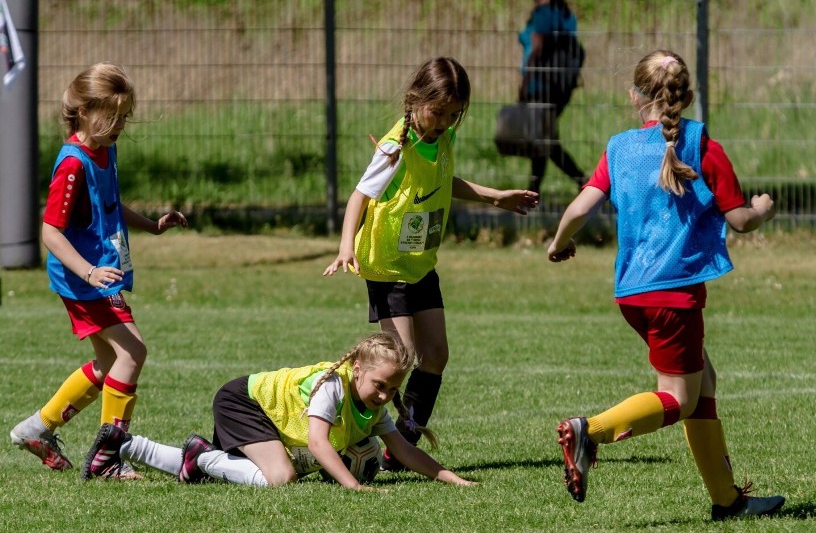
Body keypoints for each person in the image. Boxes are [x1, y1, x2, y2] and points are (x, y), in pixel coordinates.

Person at [547, 50, 785, 521]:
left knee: (703, 382)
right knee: (679, 397)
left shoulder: (618, 148)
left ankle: (727, 501)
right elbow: (739, 220)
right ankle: (587, 431)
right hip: (673, 296)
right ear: (688, 96)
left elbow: (579, 208)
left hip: (632, 293)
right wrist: (763, 209)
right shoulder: (699, 143)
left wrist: (558, 244)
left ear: (635, 97)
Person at [323, 57, 539, 471]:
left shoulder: (442, 140)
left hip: (420, 263)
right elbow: (359, 196)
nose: (444, 122)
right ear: (414, 100)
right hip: (387, 267)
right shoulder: (394, 148)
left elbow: (443, 181)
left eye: (453, 115)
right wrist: (346, 244)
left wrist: (495, 196)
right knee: (396, 361)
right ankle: (341, 428)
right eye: (438, 113)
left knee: (436, 354)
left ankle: (400, 448)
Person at [10, 62, 188, 477]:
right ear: (85, 111)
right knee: (133, 352)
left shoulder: (105, 149)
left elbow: (110, 203)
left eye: (125, 117)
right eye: (113, 116)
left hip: (98, 273)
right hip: (82, 279)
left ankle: (37, 429)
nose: (121, 125)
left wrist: (151, 225)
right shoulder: (72, 164)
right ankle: (109, 457)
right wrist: (89, 272)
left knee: (111, 362)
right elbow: (51, 232)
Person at [81, 332, 475, 490]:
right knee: (281, 476)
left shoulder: (374, 405)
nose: (385, 394)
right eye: (379, 385)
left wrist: (453, 479)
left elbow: (404, 451)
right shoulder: (332, 387)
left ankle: (124, 444)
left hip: (258, 411)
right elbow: (320, 445)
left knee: (248, 475)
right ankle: (200, 456)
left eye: (393, 388)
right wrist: (353, 486)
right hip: (243, 402)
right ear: (358, 370)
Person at [518, 0, 584, 193]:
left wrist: (524, 84)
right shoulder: (567, 16)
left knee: (545, 142)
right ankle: (535, 190)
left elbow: (536, 49)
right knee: (543, 140)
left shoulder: (543, 14)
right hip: (559, 90)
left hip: (538, 87)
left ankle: (584, 181)